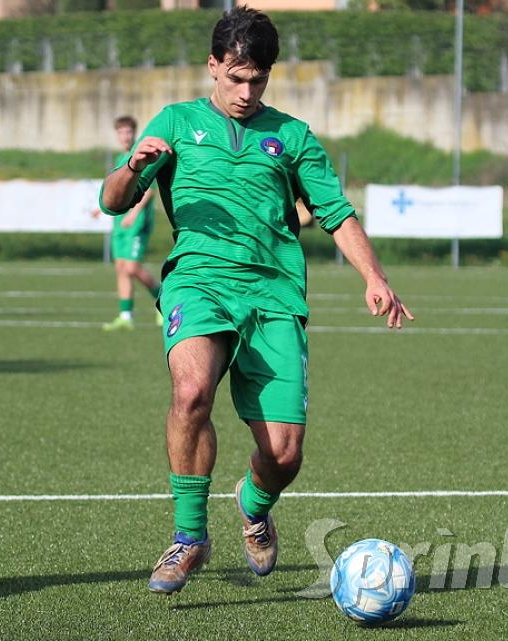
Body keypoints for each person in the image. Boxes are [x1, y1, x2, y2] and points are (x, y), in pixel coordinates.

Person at [99, 6, 413, 595]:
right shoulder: (175, 122)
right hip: (198, 280)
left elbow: (335, 212)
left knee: (285, 454)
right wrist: (132, 166)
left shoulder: (292, 136)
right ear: (213, 66)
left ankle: (253, 503)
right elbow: (114, 201)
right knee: (191, 392)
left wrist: (374, 277)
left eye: (258, 80)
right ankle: (189, 537)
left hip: (274, 296)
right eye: (236, 78)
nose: (246, 92)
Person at [97, 115, 162, 331]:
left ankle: (163, 301)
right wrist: (100, 208)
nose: (125, 136)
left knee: (132, 267)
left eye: (128, 132)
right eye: (121, 132)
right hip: (120, 223)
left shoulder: (141, 155)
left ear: (135, 133)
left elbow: (148, 190)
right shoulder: (120, 159)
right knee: (121, 268)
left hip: (136, 223)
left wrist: (134, 214)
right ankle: (126, 316)